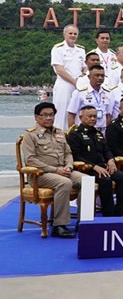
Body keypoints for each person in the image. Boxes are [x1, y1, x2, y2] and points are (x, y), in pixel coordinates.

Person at [21, 102, 85, 238]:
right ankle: (59, 225)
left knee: (87, 181)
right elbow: (31, 160)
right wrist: (55, 170)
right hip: (41, 175)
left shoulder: (60, 133)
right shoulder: (30, 135)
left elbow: (68, 153)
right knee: (64, 183)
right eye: (44, 115)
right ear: (36, 117)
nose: (48, 118)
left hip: (63, 170)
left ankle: (84, 221)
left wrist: (68, 166)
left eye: (51, 115)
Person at [67, 105, 123, 217]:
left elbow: (106, 150)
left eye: (95, 116)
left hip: (103, 166)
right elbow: (76, 156)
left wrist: (110, 160)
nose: (92, 119)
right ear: (81, 118)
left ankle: (121, 212)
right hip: (86, 169)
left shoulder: (97, 133)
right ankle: (108, 214)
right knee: (105, 180)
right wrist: (93, 166)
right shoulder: (75, 134)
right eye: (89, 116)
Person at [51, 24, 86, 130]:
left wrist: (82, 78)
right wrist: (75, 82)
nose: (73, 36)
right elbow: (60, 70)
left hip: (78, 86)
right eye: (70, 33)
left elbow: (85, 67)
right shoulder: (58, 49)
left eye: (75, 34)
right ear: (64, 34)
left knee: (78, 112)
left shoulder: (81, 50)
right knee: (62, 113)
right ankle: (60, 137)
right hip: (64, 85)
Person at [67, 64, 113, 133]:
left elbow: (108, 115)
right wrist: (73, 134)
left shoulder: (108, 93)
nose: (100, 78)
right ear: (89, 77)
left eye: (102, 76)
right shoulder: (80, 93)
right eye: (97, 75)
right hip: (85, 132)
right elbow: (71, 114)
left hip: (102, 131)